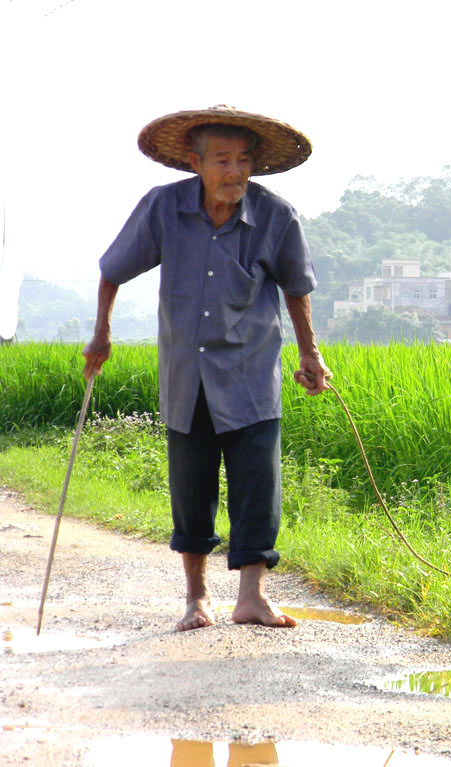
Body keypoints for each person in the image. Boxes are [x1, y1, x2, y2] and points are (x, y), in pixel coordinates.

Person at [82, 105, 331, 631]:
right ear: (195, 162)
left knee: (257, 486)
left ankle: (252, 599)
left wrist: (310, 354)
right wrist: (101, 333)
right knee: (191, 490)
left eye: (244, 160)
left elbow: (296, 289)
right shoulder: (163, 209)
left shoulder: (276, 217)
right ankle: (196, 599)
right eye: (222, 160)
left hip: (252, 373)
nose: (234, 172)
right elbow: (112, 269)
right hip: (186, 376)